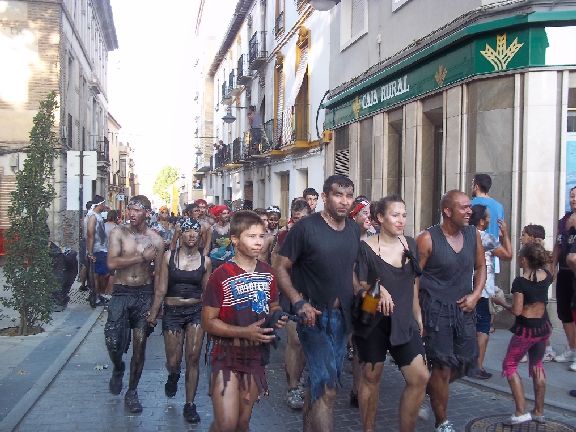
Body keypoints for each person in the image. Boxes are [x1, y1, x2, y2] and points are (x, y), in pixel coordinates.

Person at [274, 174, 360, 432]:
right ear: (324, 197)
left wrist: (362, 295)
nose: (344, 201)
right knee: (327, 388)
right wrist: (298, 302)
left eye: (349, 195)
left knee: (319, 383)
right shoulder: (305, 228)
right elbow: (281, 267)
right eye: (338, 195)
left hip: (343, 318)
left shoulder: (354, 229)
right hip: (313, 317)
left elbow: (349, 269)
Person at [201, 210, 287, 432]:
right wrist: (244, 332)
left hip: (255, 356)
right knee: (226, 424)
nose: (259, 242)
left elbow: (273, 305)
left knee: (241, 423)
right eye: (251, 236)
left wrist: (277, 316)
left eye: (261, 236)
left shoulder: (268, 273)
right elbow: (208, 322)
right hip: (226, 354)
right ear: (235, 239)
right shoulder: (220, 275)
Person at [353, 195, 429, 432]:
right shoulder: (365, 247)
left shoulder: (410, 244)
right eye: (395, 215)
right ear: (380, 217)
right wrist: (377, 288)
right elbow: (359, 285)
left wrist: (417, 314)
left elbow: (413, 282)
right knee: (371, 378)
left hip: (403, 320)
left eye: (404, 215)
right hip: (373, 323)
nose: (401, 220)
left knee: (420, 377)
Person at [416, 190, 486, 432]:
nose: (469, 211)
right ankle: (442, 422)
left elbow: (481, 266)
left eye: (470, 207)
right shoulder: (427, 239)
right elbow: (414, 278)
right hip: (436, 312)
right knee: (443, 367)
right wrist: (417, 315)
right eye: (464, 207)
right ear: (447, 211)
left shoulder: (473, 235)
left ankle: (427, 387)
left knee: (467, 361)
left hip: (464, 310)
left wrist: (476, 295)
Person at [147, 217, 211, 423]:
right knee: (173, 361)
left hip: (196, 311)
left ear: (200, 235)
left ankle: (190, 404)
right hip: (172, 312)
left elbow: (208, 293)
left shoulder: (205, 261)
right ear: (180, 234)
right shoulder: (169, 257)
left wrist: (213, 318)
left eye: (195, 231)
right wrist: (153, 314)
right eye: (187, 231)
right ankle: (173, 375)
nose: (191, 235)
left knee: (193, 358)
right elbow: (160, 289)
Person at [105, 195, 164, 413]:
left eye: (137, 210)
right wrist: (141, 258)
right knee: (113, 342)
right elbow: (111, 263)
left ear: (147, 213)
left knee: (139, 347)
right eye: (130, 209)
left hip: (143, 294)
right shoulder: (118, 233)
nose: (132, 213)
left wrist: (156, 308)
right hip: (121, 292)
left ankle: (132, 392)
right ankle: (118, 366)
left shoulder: (156, 240)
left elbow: (160, 277)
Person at [492, 242, 552, 425]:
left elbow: (517, 311)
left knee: (510, 365)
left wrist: (501, 302)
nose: (518, 258)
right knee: (537, 365)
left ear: (524, 260)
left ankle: (520, 412)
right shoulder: (547, 275)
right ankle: (539, 411)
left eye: (520, 256)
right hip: (543, 328)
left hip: (526, 330)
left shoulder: (520, 282)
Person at [271, 199, 311, 410]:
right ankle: (292, 387)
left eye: (303, 219)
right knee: (294, 340)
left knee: (305, 342)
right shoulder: (284, 236)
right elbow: (276, 262)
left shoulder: (318, 235)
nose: (299, 223)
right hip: (291, 294)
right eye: (295, 219)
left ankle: (300, 377)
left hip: (313, 295)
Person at [468, 205, 512, 380]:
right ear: (481, 221)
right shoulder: (485, 238)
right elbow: (508, 255)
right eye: (487, 217)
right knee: (483, 330)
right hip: (482, 290)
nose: (489, 220)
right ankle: (477, 367)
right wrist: (505, 234)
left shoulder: (463, 235)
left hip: (466, 288)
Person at [552, 185, 576, 364]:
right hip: (565, 272)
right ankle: (572, 348)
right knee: (564, 312)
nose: (573, 199)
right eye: (572, 196)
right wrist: (552, 266)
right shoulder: (564, 220)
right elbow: (558, 245)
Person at [86, 195, 109, 307]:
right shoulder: (93, 217)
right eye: (103, 204)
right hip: (97, 250)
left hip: (101, 249)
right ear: (100, 204)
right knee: (98, 275)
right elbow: (90, 234)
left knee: (101, 274)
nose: (104, 206)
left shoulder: (96, 215)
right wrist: (90, 253)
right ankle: (96, 297)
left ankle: (98, 295)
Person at [78, 200, 92, 292]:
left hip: (84, 241)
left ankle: (83, 284)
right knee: (89, 265)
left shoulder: (84, 217)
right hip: (89, 242)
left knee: (85, 264)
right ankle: (90, 285)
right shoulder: (91, 217)